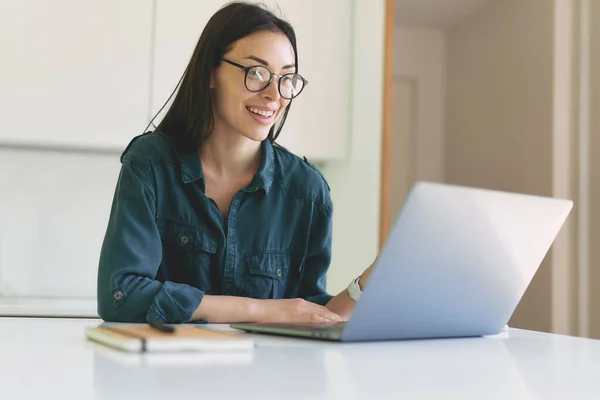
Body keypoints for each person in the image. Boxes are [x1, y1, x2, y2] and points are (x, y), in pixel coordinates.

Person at [97, 1, 374, 324]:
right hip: (165, 372)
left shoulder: (307, 191)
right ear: (210, 72)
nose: (275, 95)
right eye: (257, 73)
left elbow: (310, 314)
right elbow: (121, 296)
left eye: (286, 78)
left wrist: (365, 285)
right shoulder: (151, 165)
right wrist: (258, 309)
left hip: (268, 374)